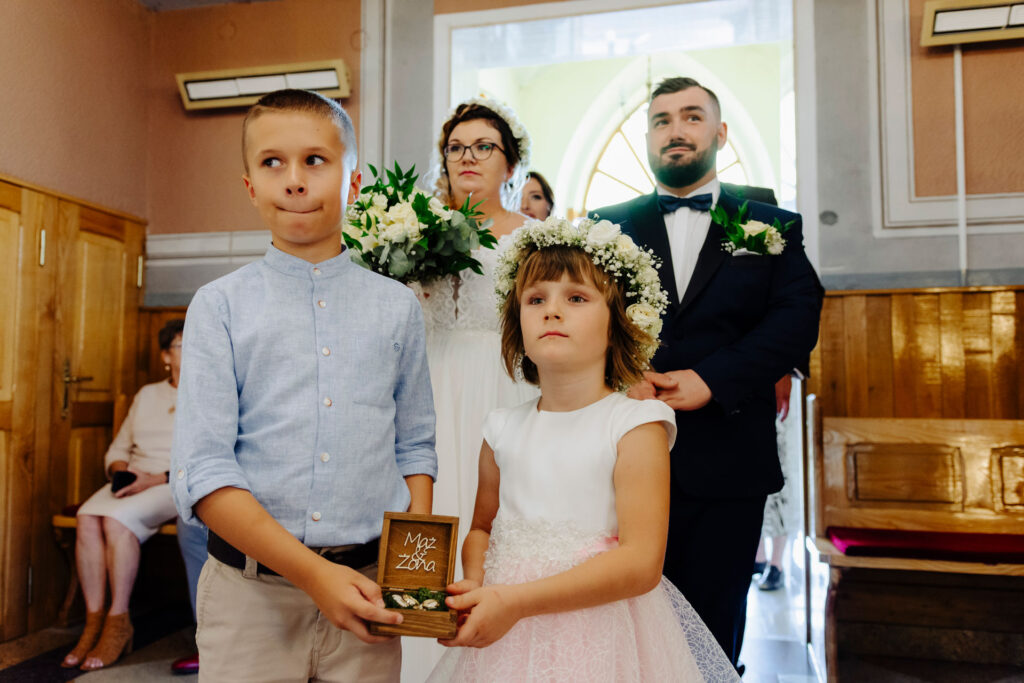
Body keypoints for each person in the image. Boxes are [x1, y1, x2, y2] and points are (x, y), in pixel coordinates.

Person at [170, 89, 437, 683]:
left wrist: (412, 576)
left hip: (368, 589)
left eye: (316, 160)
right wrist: (316, 576)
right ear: (250, 186)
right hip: (250, 599)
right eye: (273, 162)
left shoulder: (397, 307)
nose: (294, 180)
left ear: (354, 182)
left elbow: (415, 445)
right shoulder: (219, 306)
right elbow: (205, 471)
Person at [427, 217, 739, 682]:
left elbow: (641, 564)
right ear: (516, 323)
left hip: (600, 637)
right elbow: (482, 528)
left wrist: (514, 602)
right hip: (505, 640)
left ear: (618, 324)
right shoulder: (501, 429)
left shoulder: (635, 426)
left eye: (576, 298)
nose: (552, 311)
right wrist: (474, 586)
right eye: (536, 299)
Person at [591, 76, 823, 670]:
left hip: (730, 455)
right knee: (622, 625)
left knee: (715, 632)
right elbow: (578, 313)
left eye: (691, 117)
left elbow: (796, 319)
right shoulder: (603, 225)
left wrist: (712, 379)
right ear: (649, 138)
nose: (676, 130)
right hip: (621, 457)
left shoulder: (770, 224)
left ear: (719, 133)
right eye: (662, 120)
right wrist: (624, 371)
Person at [405, 96, 539, 683]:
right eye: (456, 147)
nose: (468, 156)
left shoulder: (535, 238)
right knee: (428, 503)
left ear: (510, 164)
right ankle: (419, 649)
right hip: (429, 383)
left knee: (500, 512)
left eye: (484, 147)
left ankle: (499, 654)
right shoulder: (414, 231)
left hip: (505, 384)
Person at [62, 319, 185, 671]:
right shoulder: (147, 395)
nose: (189, 351)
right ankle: (94, 621)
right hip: (134, 477)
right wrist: (121, 472)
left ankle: (118, 622)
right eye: (180, 345)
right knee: (87, 517)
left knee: (117, 523)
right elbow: (119, 448)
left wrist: (152, 479)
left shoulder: (206, 393)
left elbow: (202, 457)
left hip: (172, 481)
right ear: (165, 356)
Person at [753, 374, 799, 592]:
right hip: (751, 396)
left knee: (780, 484)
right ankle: (759, 557)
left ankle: (777, 564)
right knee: (754, 479)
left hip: (779, 401)